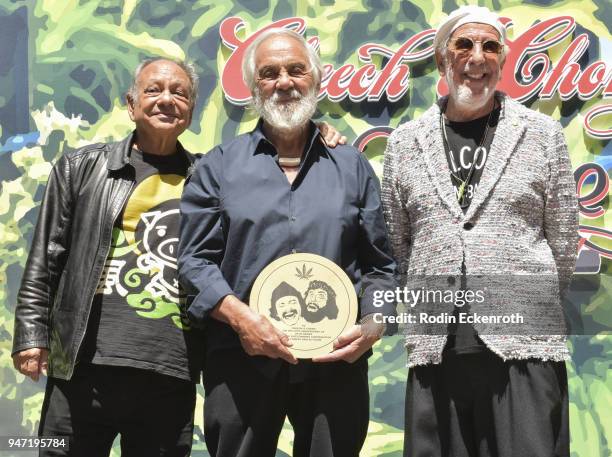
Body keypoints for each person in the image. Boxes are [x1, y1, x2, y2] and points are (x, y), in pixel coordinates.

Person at [178, 28, 396, 457]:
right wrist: (242, 320)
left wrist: (375, 323)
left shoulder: (352, 166)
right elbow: (194, 262)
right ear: (253, 87)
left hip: (336, 361)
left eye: (296, 70)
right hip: (240, 357)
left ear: (315, 82)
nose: (284, 82)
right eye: (269, 73)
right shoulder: (219, 167)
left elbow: (381, 265)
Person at [381, 6, 579, 457]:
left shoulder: (542, 134)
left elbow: (564, 240)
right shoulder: (405, 143)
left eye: (490, 47)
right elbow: (400, 244)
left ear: (502, 61)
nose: (477, 57)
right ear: (441, 61)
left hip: (525, 349)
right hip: (438, 352)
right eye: (464, 45)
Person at [11, 57, 203, 456]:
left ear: (191, 111)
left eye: (179, 93)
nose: (167, 100)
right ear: (131, 105)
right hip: (83, 368)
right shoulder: (81, 167)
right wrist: (31, 335)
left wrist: (320, 133)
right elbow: (46, 256)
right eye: (154, 90)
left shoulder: (209, 178)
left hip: (169, 372)